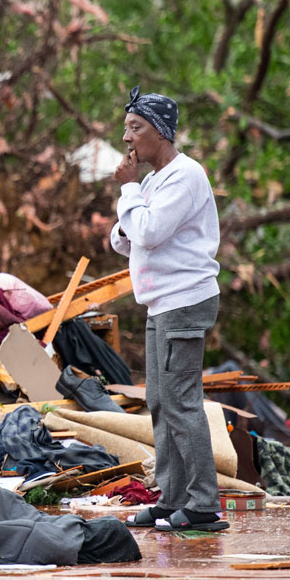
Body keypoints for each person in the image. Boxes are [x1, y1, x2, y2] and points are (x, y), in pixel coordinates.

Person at [110, 85, 227, 532]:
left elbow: (151, 231)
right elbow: (127, 238)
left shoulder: (185, 175)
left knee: (180, 401)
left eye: (136, 128)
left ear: (160, 131)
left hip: (185, 301)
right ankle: (172, 497)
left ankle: (203, 505)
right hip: (162, 303)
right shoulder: (154, 179)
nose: (128, 139)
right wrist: (130, 207)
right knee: (160, 400)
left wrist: (128, 195)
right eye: (126, 129)